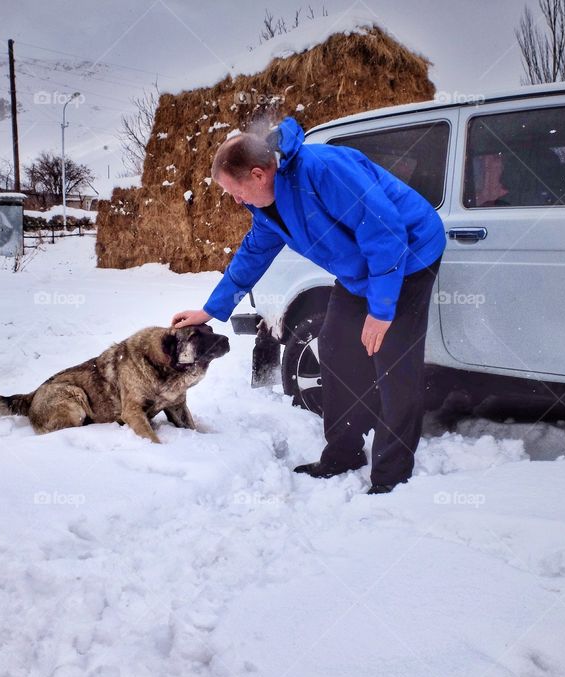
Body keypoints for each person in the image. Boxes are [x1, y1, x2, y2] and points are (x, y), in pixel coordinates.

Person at [171, 117, 445, 494]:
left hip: (408, 256)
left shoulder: (325, 171)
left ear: (257, 174)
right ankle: (343, 453)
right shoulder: (267, 205)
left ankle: (391, 475)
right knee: (335, 348)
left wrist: (381, 311)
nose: (236, 201)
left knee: (394, 362)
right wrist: (210, 310)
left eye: (235, 191)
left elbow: (386, 233)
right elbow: (252, 256)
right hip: (358, 270)